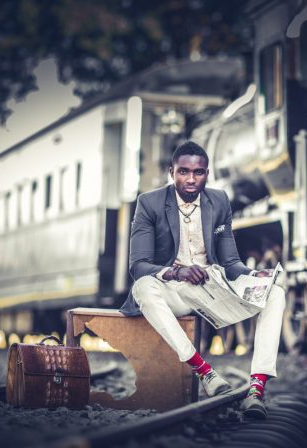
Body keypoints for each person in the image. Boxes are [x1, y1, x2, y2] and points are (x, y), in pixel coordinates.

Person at [120, 140, 285, 419]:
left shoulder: (219, 200)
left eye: (198, 173)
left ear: (207, 173)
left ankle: (257, 388)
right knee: (143, 287)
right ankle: (204, 372)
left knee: (276, 293)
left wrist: (254, 275)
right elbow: (138, 265)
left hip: (211, 288)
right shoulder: (149, 203)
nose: (190, 179)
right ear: (172, 172)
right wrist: (176, 271)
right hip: (173, 290)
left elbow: (230, 261)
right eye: (183, 172)